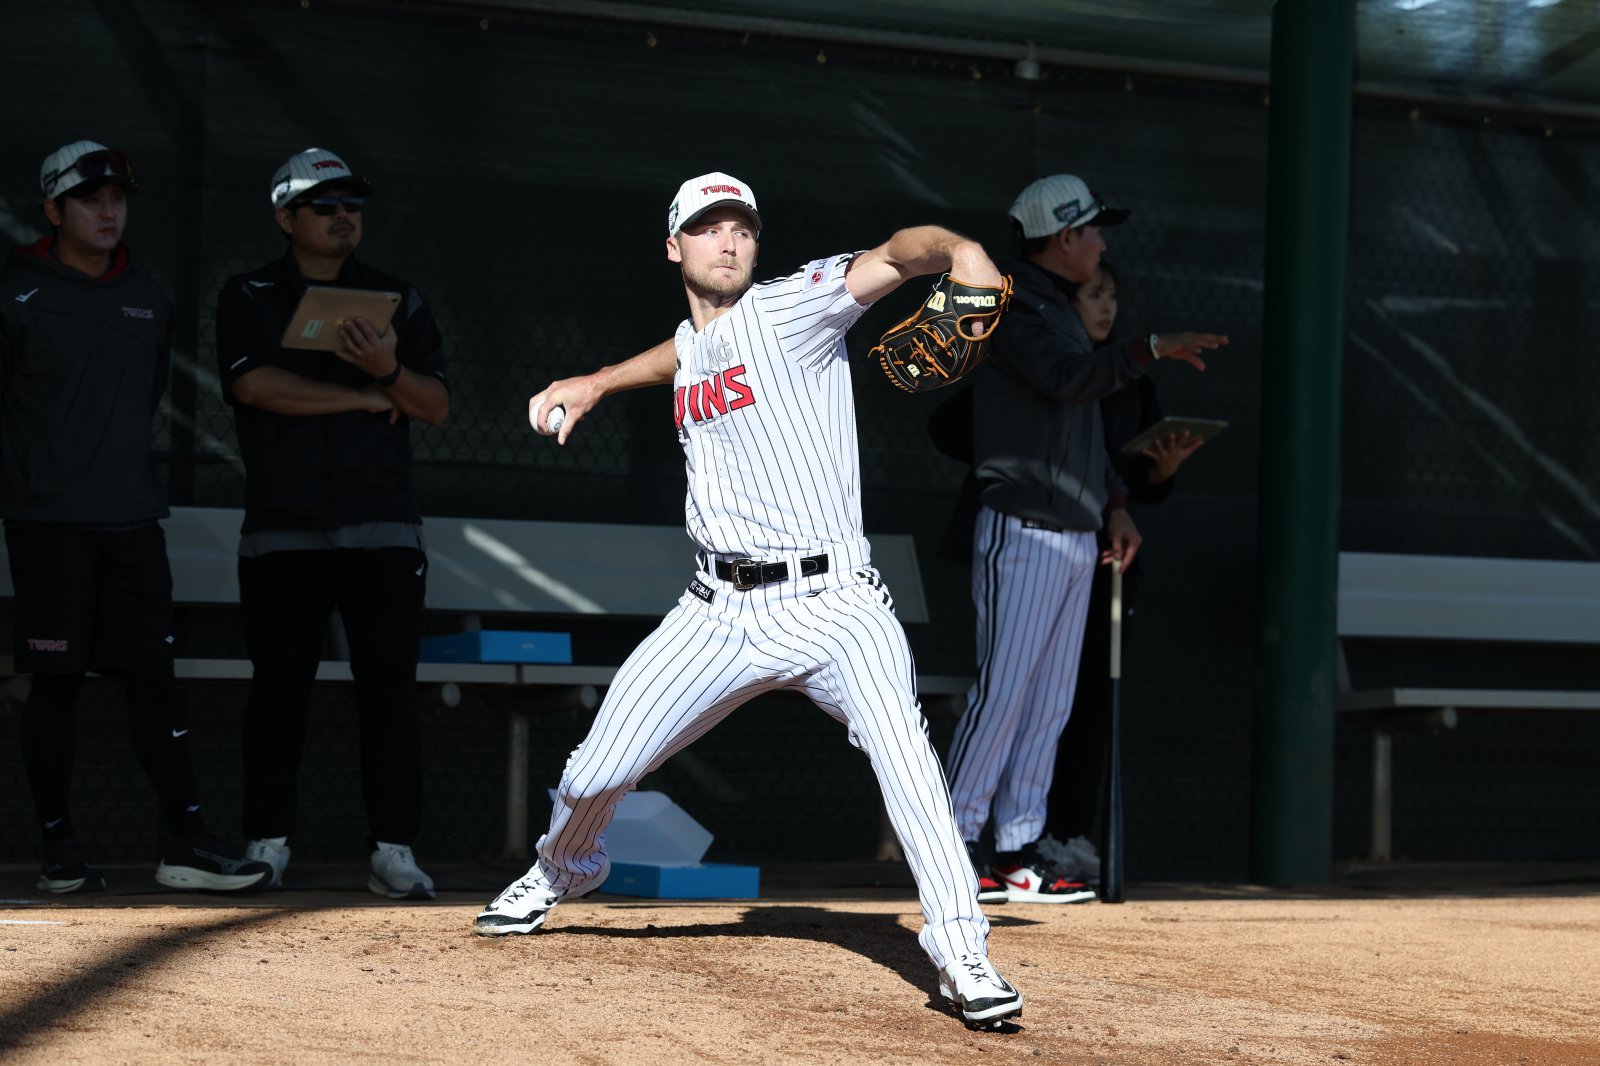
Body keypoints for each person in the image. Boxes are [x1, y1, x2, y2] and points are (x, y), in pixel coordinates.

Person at [475, 171, 1024, 1028]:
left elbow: (894, 255)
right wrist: (597, 381)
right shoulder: (696, 344)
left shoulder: (791, 307)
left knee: (909, 764)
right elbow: (681, 355)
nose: (727, 241)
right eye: (707, 228)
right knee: (593, 774)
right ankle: (566, 866)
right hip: (717, 611)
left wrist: (959, 251)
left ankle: (964, 952)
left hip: (834, 600)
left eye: (741, 228)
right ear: (674, 246)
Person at [944, 174, 1225, 905]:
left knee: (1048, 703)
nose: (1102, 244)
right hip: (1023, 527)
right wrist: (1150, 347)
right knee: (1002, 694)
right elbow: (1069, 380)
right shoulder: (1007, 301)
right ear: (1065, 237)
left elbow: (1084, 429)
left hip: (1073, 530)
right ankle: (951, 845)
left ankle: (1013, 850)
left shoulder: (1065, 309)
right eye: (1094, 231)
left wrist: (1119, 505)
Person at [0, 139, 272, 894]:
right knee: (55, 684)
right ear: (53, 209)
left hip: (132, 526)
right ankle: (58, 848)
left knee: (155, 679)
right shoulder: (13, 293)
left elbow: (143, 397)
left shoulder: (149, 297)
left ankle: (184, 844)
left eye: (118, 196)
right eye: (90, 198)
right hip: (47, 528)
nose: (109, 209)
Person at [214, 148, 450, 899]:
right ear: (287, 218)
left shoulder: (396, 298)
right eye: (325, 205)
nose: (343, 215)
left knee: (389, 691)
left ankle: (394, 850)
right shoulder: (247, 293)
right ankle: (268, 842)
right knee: (279, 690)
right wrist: (360, 398)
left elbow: (435, 405)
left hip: (382, 529)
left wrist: (386, 370)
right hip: (283, 530)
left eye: (352, 204)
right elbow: (256, 386)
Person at [1040, 260, 1209, 882]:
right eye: (1092, 293)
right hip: (1044, 545)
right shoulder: (1045, 364)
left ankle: (1068, 836)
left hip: (1113, 555)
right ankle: (1014, 839)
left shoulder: (1130, 380)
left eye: (1112, 293)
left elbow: (1139, 482)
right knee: (1037, 699)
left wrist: (1161, 471)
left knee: (1091, 699)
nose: (1104, 304)